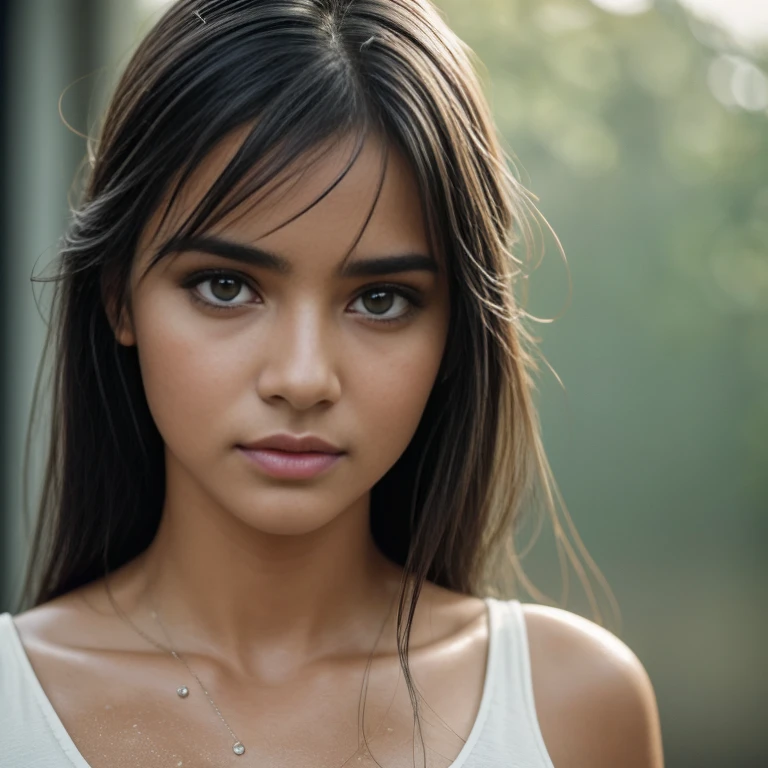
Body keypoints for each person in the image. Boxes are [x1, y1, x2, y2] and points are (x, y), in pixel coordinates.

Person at [0, 1, 664, 766]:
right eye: (224, 286)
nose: (303, 378)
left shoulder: (572, 708)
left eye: (380, 301)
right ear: (119, 295)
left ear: (454, 331)